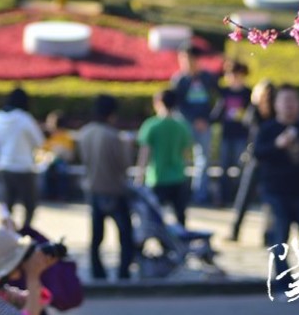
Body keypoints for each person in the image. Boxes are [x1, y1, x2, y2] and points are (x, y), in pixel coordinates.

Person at [253, 84, 299, 282]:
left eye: (293, 101)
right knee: (279, 241)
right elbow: (257, 154)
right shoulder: (267, 130)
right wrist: (277, 145)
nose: (289, 105)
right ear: (276, 104)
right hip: (275, 193)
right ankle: (284, 285)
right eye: (285, 101)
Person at [77, 94, 134, 281]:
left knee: (96, 237)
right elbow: (124, 165)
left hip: (93, 189)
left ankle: (97, 271)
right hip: (115, 190)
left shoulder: (84, 133)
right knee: (125, 236)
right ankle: (123, 271)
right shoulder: (113, 136)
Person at [0, 88, 44, 231]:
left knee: (6, 207)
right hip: (24, 168)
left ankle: (8, 234)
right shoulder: (25, 118)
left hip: (4, 167)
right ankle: (25, 232)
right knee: (29, 206)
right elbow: (39, 142)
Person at [135, 88, 193, 227]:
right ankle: (179, 244)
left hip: (156, 178)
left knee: (153, 216)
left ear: (158, 103)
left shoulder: (151, 125)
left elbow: (144, 154)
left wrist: (139, 177)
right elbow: (187, 154)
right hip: (178, 176)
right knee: (180, 216)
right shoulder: (182, 125)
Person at [170, 47, 219, 205]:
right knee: (181, 158)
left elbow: (219, 98)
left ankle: (200, 194)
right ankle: (182, 192)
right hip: (186, 124)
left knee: (203, 160)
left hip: (204, 125)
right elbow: (176, 104)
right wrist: (193, 120)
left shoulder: (207, 77)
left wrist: (208, 119)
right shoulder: (179, 80)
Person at [229, 78, 275, 242]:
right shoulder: (255, 113)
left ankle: (268, 235)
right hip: (255, 159)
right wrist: (255, 104)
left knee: (269, 202)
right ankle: (235, 231)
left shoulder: (275, 115)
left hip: (269, 161)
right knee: (244, 198)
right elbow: (246, 124)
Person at [211, 61, 252, 206]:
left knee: (240, 166)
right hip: (226, 134)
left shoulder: (248, 93)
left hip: (241, 135)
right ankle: (223, 197)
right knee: (224, 166)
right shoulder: (225, 92)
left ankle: (239, 198)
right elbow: (218, 111)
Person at [37, 110, 75, 201]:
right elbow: (38, 152)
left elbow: (70, 156)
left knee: (62, 170)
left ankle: (62, 196)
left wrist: (59, 154)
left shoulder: (66, 137)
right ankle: (46, 195)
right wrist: (45, 156)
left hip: (60, 162)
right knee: (44, 170)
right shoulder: (45, 136)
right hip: (45, 161)